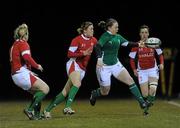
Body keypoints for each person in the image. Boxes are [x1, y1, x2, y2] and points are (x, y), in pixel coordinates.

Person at [89, 18, 148, 114]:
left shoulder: (118, 37)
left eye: (118, 27)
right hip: (104, 67)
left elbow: (127, 43)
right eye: (115, 27)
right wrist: (99, 59)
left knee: (130, 81)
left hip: (116, 64)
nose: (117, 29)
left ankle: (142, 102)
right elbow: (97, 46)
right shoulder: (105, 36)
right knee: (105, 92)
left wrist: (138, 44)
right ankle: (94, 93)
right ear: (109, 28)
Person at [42, 21, 97, 119]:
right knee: (77, 84)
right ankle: (67, 107)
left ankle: (47, 110)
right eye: (91, 29)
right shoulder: (77, 40)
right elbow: (69, 54)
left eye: (93, 28)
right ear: (84, 31)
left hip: (83, 69)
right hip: (73, 64)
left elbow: (101, 48)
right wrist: (83, 53)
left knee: (64, 92)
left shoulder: (94, 40)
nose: (93, 30)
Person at [10, 23, 50, 120]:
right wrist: (37, 66)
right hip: (21, 74)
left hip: (16, 75)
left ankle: (36, 115)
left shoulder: (14, 44)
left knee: (38, 92)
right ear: (25, 35)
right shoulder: (23, 43)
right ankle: (29, 109)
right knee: (45, 89)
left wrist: (29, 72)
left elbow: (17, 62)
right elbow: (27, 57)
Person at [129, 25, 164, 115]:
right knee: (145, 94)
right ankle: (149, 102)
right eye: (142, 32)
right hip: (142, 71)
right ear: (140, 34)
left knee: (153, 89)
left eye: (146, 32)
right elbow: (132, 59)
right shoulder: (136, 45)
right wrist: (134, 70)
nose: (144, 34)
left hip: (153, 69)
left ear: (148, 34)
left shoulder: (153, 43)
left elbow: (160, 55)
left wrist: (161, 63)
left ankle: (146, 110)